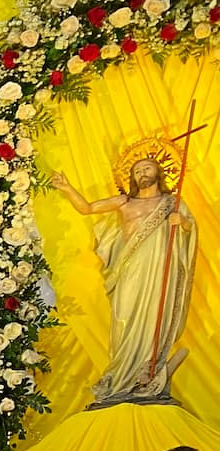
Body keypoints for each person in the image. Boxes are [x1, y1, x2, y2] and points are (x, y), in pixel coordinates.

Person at [49, 157, 197, 403]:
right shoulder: (125, 202)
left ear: (159, 172)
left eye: (147, 168)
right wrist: (67, 188)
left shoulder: (172, 203)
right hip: (129, 269)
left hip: (160, 272)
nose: (142, 173)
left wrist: (182, 222)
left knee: (152, 321)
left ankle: (147, 375)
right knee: (124, 319)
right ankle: (121, 376)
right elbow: (87, 208)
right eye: (137, 170)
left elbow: (190, 229)